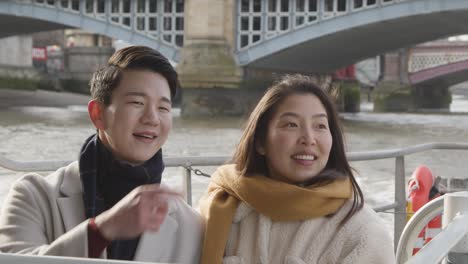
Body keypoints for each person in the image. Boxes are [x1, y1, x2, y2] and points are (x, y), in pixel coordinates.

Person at [0, 46, 203, 263]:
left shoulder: (191, 225)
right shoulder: (33, 196)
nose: (152, 118)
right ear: (97, 114)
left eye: (163, 108)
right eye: (137, 103)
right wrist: (103, 230)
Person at [199, 75, 395, 263]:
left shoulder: (361, 232)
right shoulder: (220, 211)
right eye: (291, 125)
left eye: (320, 126)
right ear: (260, 141)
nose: (308, 138)